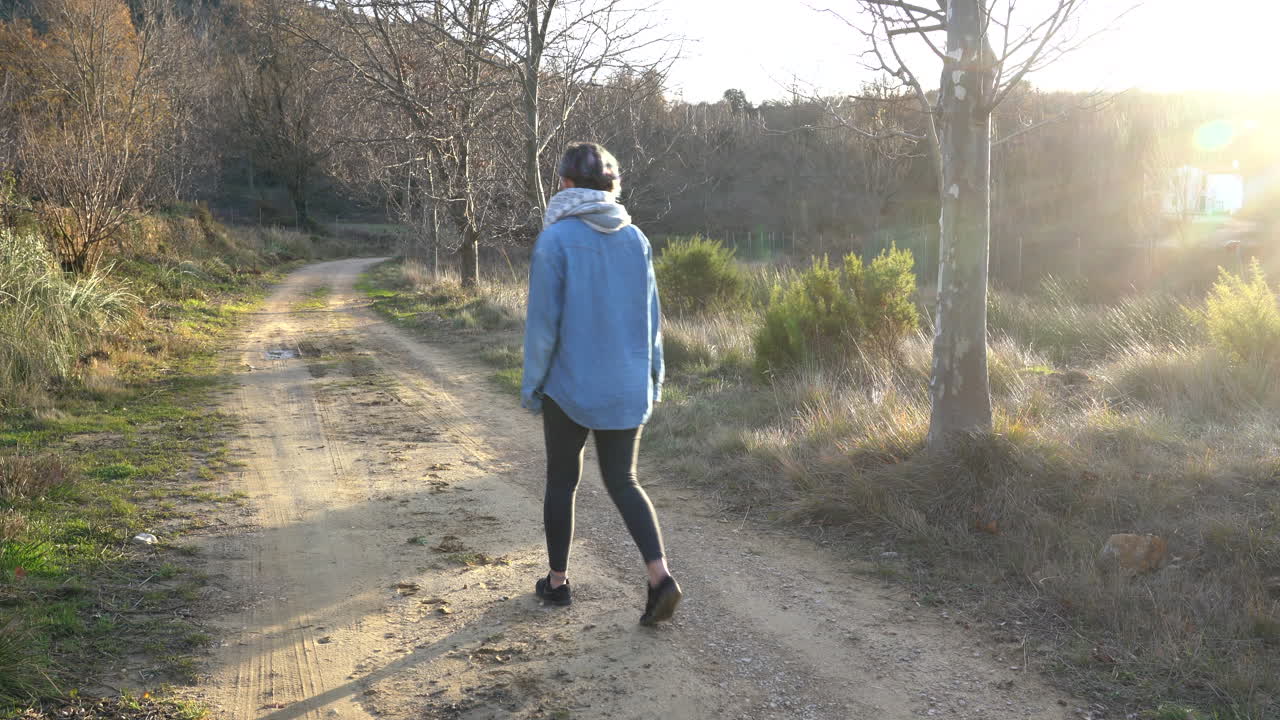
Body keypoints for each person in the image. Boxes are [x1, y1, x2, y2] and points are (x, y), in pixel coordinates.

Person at [521, 142, 681, 626]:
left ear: (566, 185)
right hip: (627, 384)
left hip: (571, 387)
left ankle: (557, 583)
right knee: (624, 481)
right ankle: (660, 578)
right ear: (612, 187)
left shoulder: (555, 241)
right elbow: (652, 319)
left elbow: (543, 326)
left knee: (562, 480)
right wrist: (654, 374)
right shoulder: (636, 238)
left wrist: (533, 385)